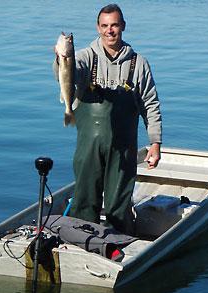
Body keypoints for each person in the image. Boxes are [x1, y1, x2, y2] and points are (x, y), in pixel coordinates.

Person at [53, 4, 162, 235]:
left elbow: (150, 104)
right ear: (97, 28)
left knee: (118, 204)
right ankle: (81, 239)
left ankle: (120, 242)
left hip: (123, 150)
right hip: (88, 148)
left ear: (123, 26)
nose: (109, 31)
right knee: (84, 198)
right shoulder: (83, 57)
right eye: (104, 26)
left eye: (114, 25)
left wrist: (155, 142)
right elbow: (64, 75)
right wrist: (59, 59)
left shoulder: (138, 63)